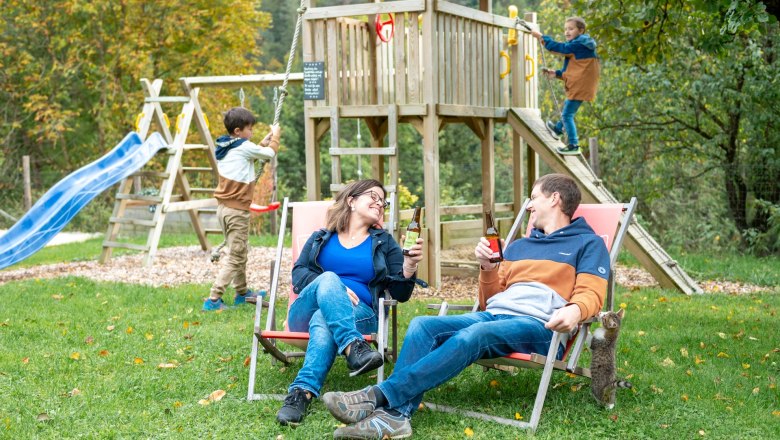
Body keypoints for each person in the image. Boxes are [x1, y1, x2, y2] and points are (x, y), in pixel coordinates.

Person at [321, 174, 610, 439]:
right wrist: (486, 268)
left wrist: (574, 311)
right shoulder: (520, 246)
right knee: (423, 325)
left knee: (476, 335)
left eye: (533, 198)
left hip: (541, 326)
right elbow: (489, 300)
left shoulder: (588, 243)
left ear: (555, 199)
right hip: (494, 315)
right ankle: (396, 417)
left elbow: (591, 293)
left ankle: (378, 396)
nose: (530, 206)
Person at [275, 179, 424, 426]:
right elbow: (298, 275)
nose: (380, 203)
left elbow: (400, 293)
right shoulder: (321, 237)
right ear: (352, 200)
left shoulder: (384, 242)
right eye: (373, 196)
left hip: (360, 315)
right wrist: (336, 287)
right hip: (304, 311)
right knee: (330, 279)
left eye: (383, 201)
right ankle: (353, 346)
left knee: (323, 317)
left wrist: (409, 267)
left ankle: (301, 393)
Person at [203, 107, 281, 311]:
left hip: (224, 209)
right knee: (236, 255)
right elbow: (270, 154)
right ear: (238, 131)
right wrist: (276, 137)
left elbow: (246, 155)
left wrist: (260, 144)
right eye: (249, 129)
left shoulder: (225, 147)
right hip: (237, 212)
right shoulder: (244, 147)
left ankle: (242, 292)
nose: (252, 132)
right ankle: (213, 299)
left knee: (240, 251)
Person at [531, 17, 600, 156]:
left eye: (571, 29)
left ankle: (574, 144)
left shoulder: (579, 44)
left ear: (581, 30)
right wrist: (555, 73)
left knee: (567, 114)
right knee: (568, 112)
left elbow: (559, 48)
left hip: (580, 86)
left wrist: (541, 37)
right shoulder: (580, 45)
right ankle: (557, 129)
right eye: (565, 29)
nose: (567, 32)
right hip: (581, 85)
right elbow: (575, 71)